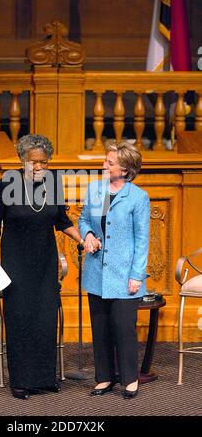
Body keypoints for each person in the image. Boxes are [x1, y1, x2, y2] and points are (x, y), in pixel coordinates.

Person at [0, 134, 83, 400]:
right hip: (16, 262)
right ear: (21, 160)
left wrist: (83, 239)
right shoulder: (6, 185)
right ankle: (21, 381)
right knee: (21, 319)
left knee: (45, 318)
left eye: (44, 163)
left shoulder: (53, 183)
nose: (39, 168)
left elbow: (61, 220)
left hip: (45, 261)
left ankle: (44, 379)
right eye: (33, 163)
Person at [79, 141, 150, 399]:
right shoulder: (95, 189)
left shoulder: (138, 197)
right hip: (97, 271)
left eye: (109, 163)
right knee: (100, 327)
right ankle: (104, 378)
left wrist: (136, 276)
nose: (104, 165)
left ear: (126, 168)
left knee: (123, 326)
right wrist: (87, 235)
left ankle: (130, 379)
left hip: (124, 275)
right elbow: (84, 218)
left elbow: (142, 240)